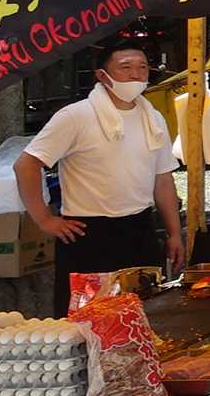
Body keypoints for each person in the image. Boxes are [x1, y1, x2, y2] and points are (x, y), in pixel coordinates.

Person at [16, 38, 186, 313]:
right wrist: (44, 219)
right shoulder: (75, 116)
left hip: (140, 228)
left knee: (143, 316)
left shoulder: (153, 117)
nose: (135, 74)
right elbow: (26, 164)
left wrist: (174, 233)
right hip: (88, 233)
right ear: (102, 75)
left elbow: (163, 179)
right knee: (87, 320)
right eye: (126, 67)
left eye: (142, 67)